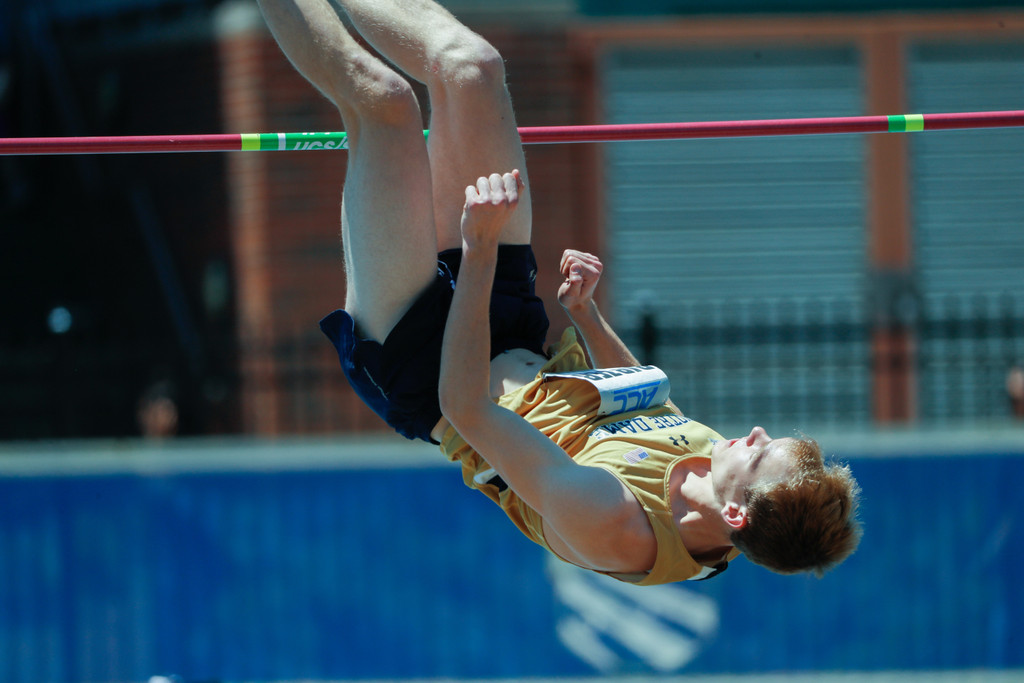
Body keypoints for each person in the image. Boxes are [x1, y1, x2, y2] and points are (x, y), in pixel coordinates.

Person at [257, 0, 861, 585]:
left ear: (737, 516)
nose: (752, 433)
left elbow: (467, 406)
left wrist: (482, 251)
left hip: (425, 368)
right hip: (512, 329)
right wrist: (586, 316)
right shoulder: (711, 461)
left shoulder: (618, 526)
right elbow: (642, 403)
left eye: (758, 454)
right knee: (473, 67)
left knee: (383, 102)